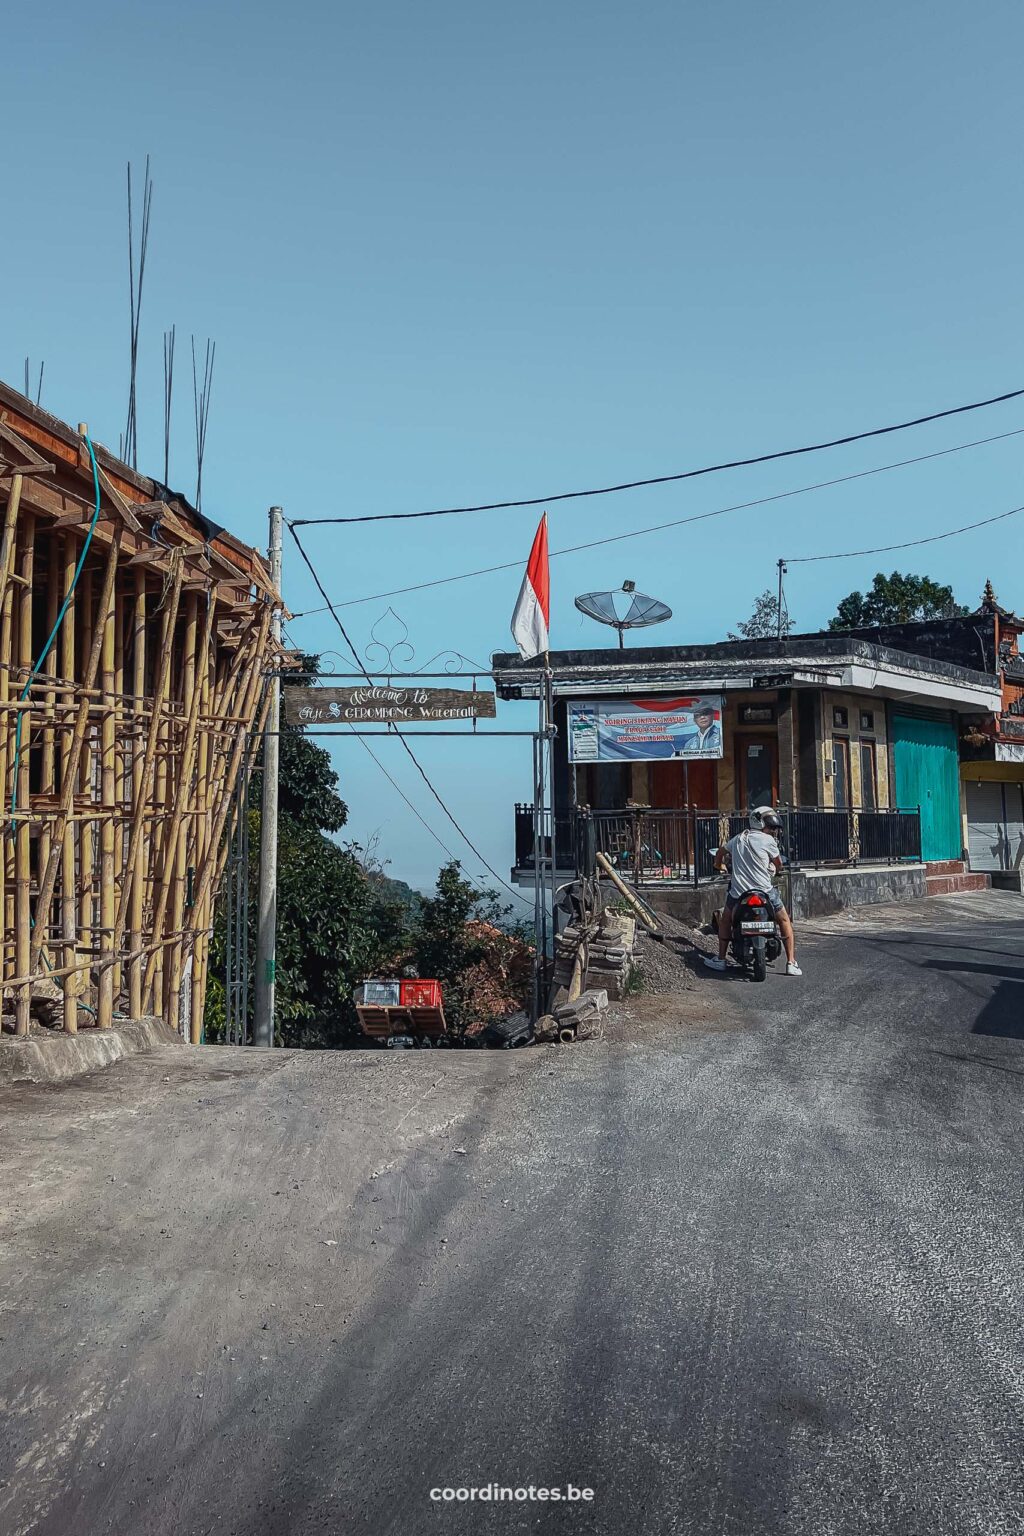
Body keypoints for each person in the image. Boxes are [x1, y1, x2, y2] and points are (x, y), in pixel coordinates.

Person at [703, 806, 802, 976]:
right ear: (761, 824)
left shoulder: (739, 838)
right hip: (765, 891)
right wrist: (776, 870)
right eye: (770, 827)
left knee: (726, 920)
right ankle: (791, 962)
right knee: (785, 921)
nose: (772, 831)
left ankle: (720, 959)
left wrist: (718, 865)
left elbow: (720, 853)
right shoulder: (769, 841)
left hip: (739, 892)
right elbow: (778, 864)